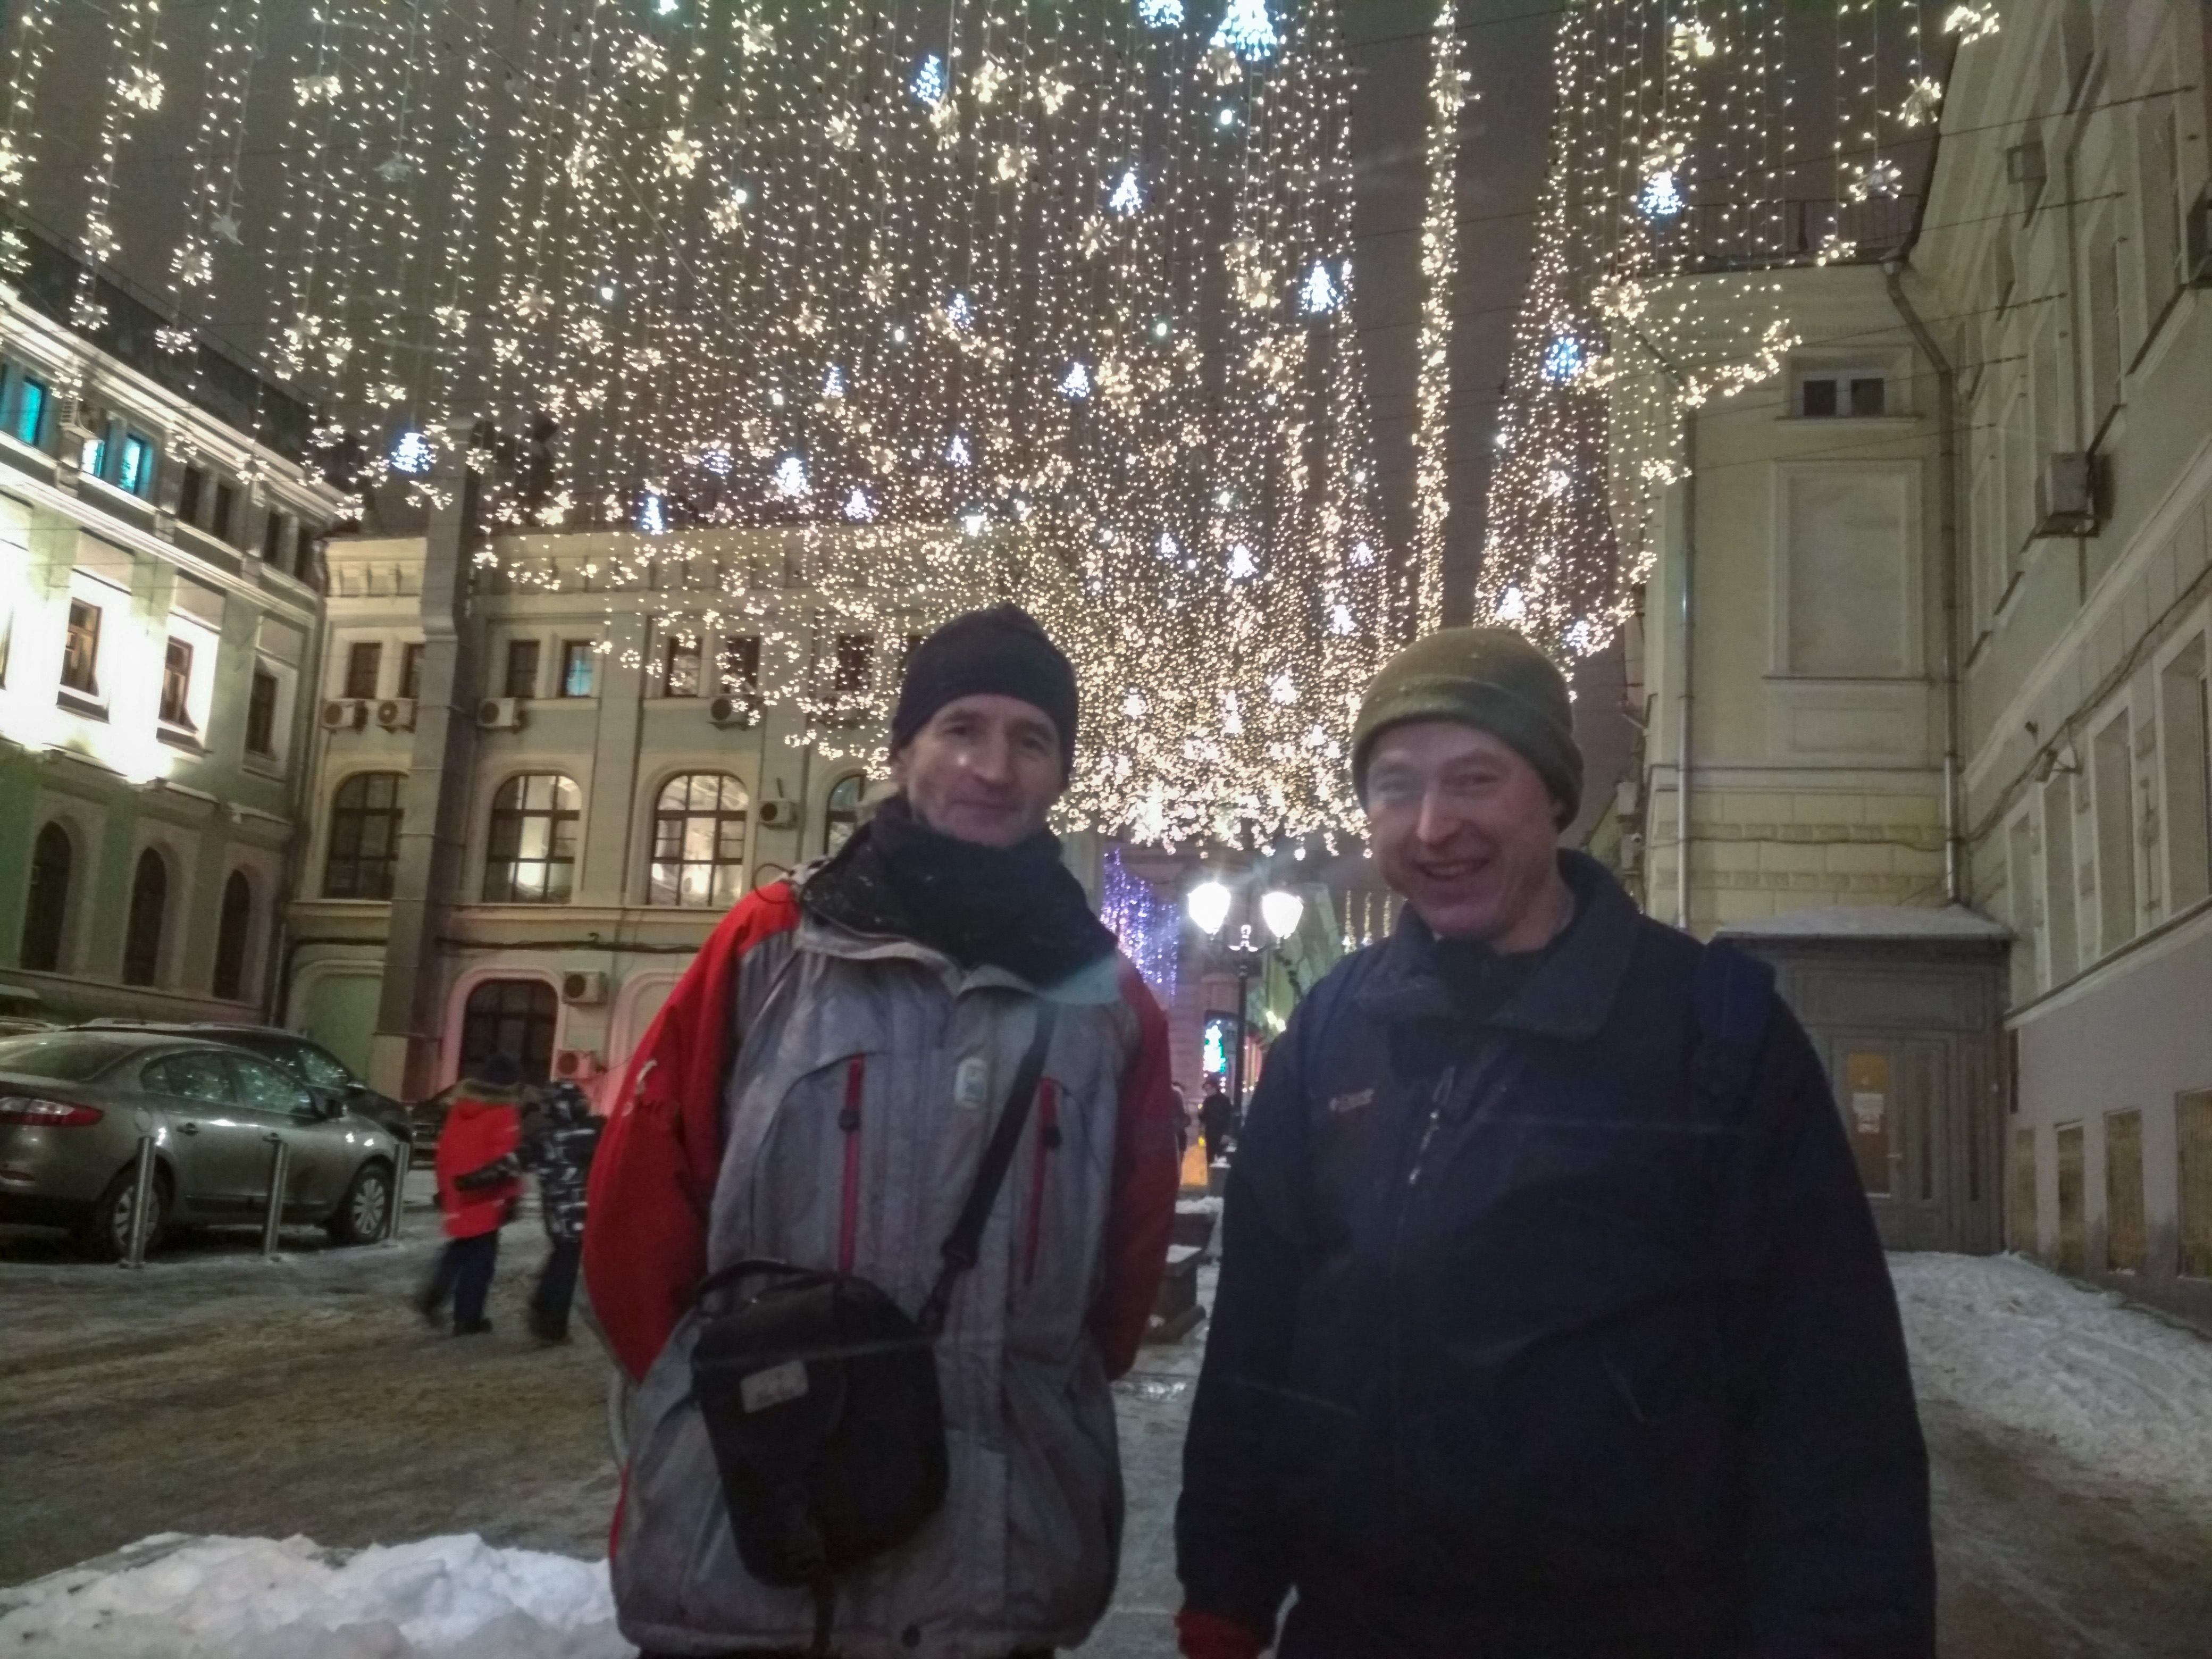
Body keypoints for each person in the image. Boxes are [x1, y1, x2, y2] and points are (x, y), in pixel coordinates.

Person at [1176, 629, 1935, 1659]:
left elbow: (1830, 1395)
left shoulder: (1711, 1030)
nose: (1433, 826)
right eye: (1396, 788)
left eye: (1474, 779)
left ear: (1554, 795)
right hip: (1358, 1625)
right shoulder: (1334, 1029)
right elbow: (1260, 1328)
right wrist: (1225, 1587)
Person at [585, 604, 1180, 1659]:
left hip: (992, 1574)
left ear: (1060, 774)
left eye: (1031, 739)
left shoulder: (1111, 1008)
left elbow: (1120, 1289)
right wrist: (728, 1406)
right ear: (904, 749)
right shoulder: (771, 948)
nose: (992, 767)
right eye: (961, 728)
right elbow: (638, 1226)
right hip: (758, 1551)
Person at [421, 1053, 525, 1337]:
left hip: (457, 1190)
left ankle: (435, 1293)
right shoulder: (504, 1112)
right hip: (486, 1194)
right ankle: (468, 1318)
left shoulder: (460, 1109)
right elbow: (505, 1161)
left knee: (462, 1247)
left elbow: (444, 1153)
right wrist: (511, 1196)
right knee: (481, 1259)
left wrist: (444, 1188)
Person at [1197, 1079, 1236, 1166]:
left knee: (1220, 1158)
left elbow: (1229, 1118)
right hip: (1210, 1133)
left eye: (1208, 1089)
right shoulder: (1208, 1101)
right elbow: (1204, 1118)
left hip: (1221, 1133)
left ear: (1214, 1088)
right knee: (1210, 1158)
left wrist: (1227, 1133)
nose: (1207, 1092)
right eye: (1206, 1090)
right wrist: (1201, 1113)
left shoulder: (1224, 1101)